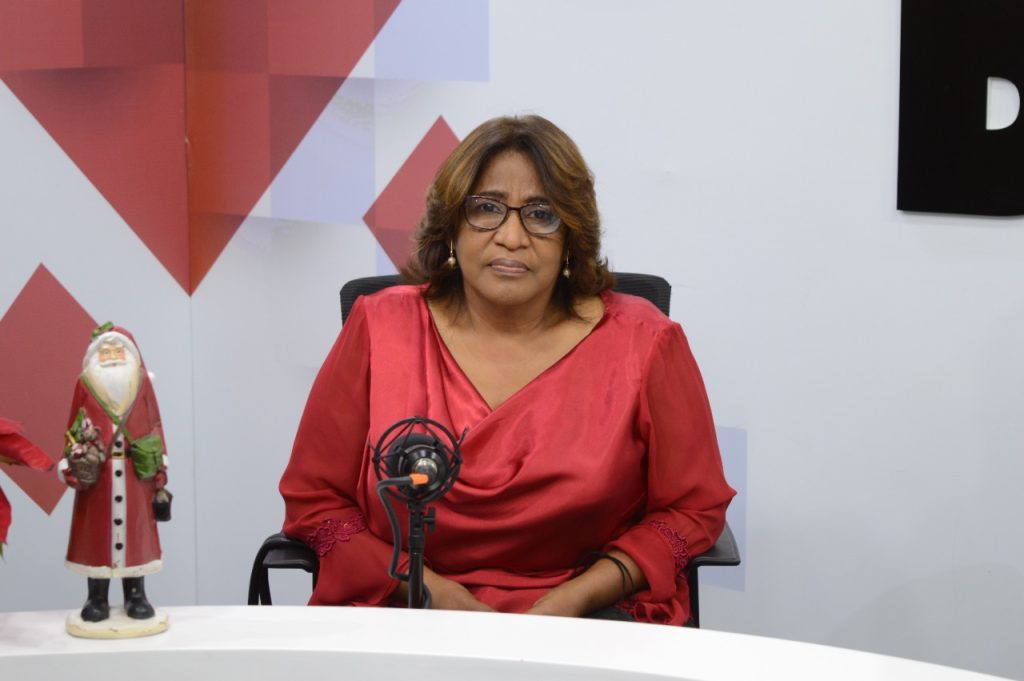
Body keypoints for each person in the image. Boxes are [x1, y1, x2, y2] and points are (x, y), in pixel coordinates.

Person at [279, 115, 735, 625]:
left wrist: (576, 598)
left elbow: (692, 508)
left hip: (588, 618)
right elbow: (316, 501)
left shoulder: (645, 342)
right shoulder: (378, 326)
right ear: (452, 226)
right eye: (487, 208)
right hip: (406, 611)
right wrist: (427, 589)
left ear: (571, 236)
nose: (512, 236)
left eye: (541, 214)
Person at [60, 323, 168, 622]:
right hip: (99, 475)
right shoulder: (84, 384)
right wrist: (72, 460)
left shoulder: (142, 383)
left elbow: (155, 423)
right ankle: (97, 597)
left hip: (136, 473)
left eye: (117, 351)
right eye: (104, 352)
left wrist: (160, 466)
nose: (111, 357)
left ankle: (136, 594)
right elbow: (72, 426)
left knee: (135, 538)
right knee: (96, 538)